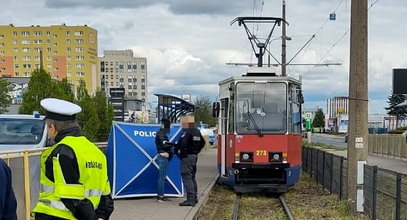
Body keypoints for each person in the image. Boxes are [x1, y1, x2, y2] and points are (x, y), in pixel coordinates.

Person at [32, 98, 114, 220]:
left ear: (52, 128)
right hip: (92, 215)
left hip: (57, 216)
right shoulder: (97, 152)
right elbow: (106, 195)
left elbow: (71, 197)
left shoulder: (62, 151)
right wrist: (101, 216)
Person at [176, 116, 205, 206]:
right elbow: (203, 142)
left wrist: (182, 154)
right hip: (194, 156)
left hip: (187, 157)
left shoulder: (187, 132)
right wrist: (196, 151)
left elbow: (182, 144)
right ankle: (194, 197)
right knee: (192, 177)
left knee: (187, 177)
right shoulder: (197, 131)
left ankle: (190, 199)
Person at [155, 118, 174, 202]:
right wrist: (174, 144)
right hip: (163, 157)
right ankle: (160, 196)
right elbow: (164, 145)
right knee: (162, 177)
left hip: (163, 156)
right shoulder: (161, 134)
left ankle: (161, 195)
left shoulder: (161, 133)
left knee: (162, 177)